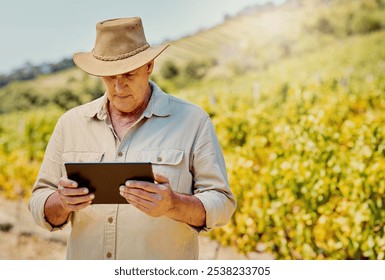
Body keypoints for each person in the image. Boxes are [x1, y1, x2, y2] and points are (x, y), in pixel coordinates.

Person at [29, 17, 236, 260]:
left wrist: (173, 204)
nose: (118, 88)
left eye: (129, 74)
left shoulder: (193, 121)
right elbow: (39, 203)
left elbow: (222, 204)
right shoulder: (70, 124)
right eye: (109, 77)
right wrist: (61, 202)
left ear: (149, 66)